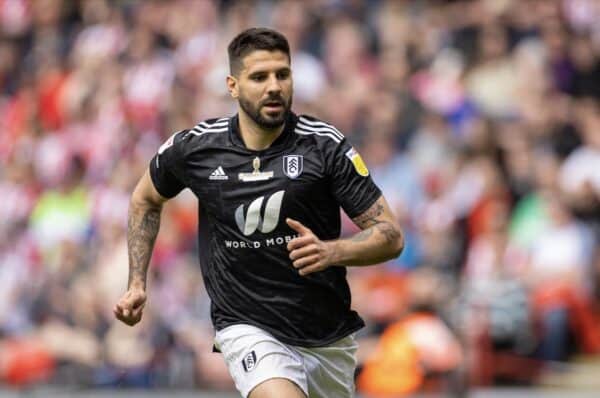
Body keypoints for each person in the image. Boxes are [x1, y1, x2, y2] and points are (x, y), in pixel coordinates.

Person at [114, 27, 404, 398]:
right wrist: (137, 281)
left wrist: (333, 251)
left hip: (326, 335)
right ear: (233, 86)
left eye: (282, 75)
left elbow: (390, 235)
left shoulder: (324, 146)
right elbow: (145, 200)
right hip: (247, 327)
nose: (274, 86)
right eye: (259, 77)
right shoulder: (196, 148)